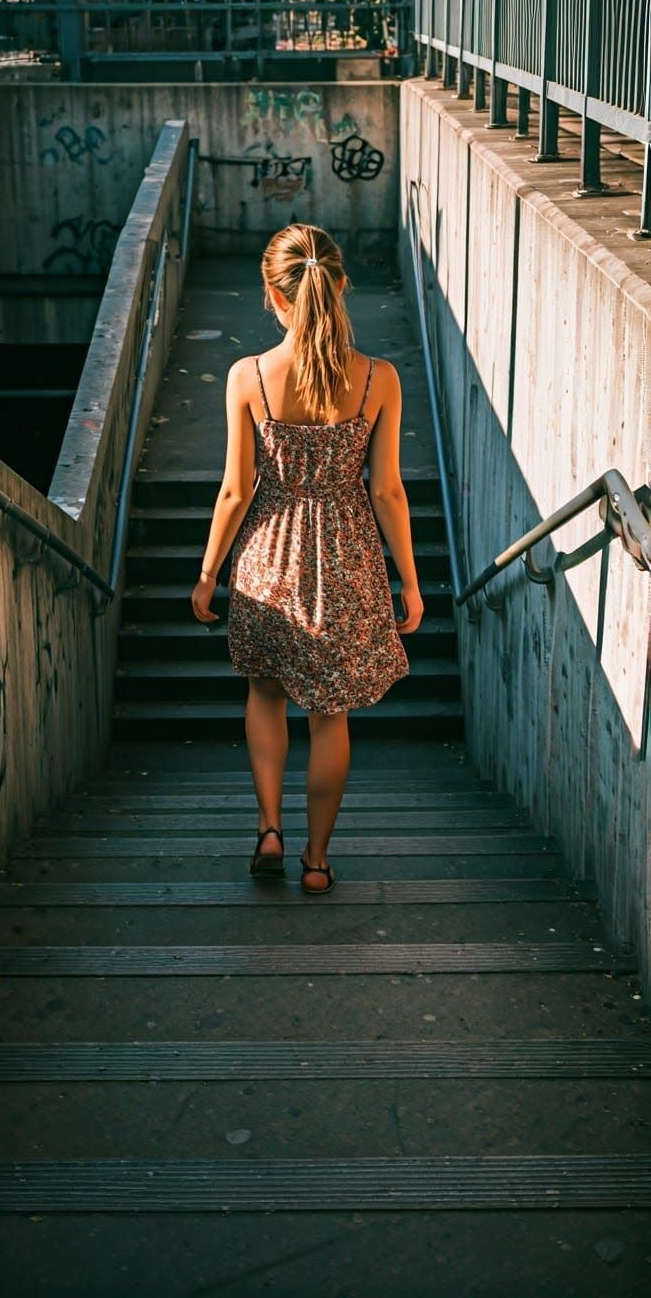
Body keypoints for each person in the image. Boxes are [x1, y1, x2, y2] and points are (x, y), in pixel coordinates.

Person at [190, 223, 423, 893]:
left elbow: (236, 490)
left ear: (273, 293)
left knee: (264, 693)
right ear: (341, 285)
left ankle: (269, 827)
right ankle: (317, 862)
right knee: (331, 713)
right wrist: (409, 580)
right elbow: (387, 490)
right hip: (347, 559)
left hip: (269, 553)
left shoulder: (248, 377)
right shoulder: (378, 378)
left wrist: (208, 574)